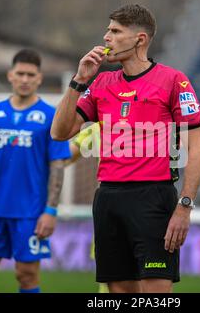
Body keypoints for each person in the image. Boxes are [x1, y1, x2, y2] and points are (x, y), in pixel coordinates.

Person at [51, 4, 200, 293]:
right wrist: (79, 80)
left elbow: (196, 150)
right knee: (119, 292)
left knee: (155, 293)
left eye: (115, 31)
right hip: (108, 198)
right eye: (108, 30)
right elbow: (60, 132)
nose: (106, 37)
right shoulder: (100, 83)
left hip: (153, 197)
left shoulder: (174, 81)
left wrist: (184, 207)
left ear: (140, 39)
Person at [0, 49, 71, 293]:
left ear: (39, 78)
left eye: (30, 75)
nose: (25, 79)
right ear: (10, 75)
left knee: (26, 276)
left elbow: (58, 165)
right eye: (20, 73)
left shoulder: (50, 116)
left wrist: (51, 210)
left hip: (30, 215)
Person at [66, 123, 109, 293]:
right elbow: (65, 156)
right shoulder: (99, 127)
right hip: (111, 211)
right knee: (109, 280)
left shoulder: (154, 123)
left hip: (148, 211)